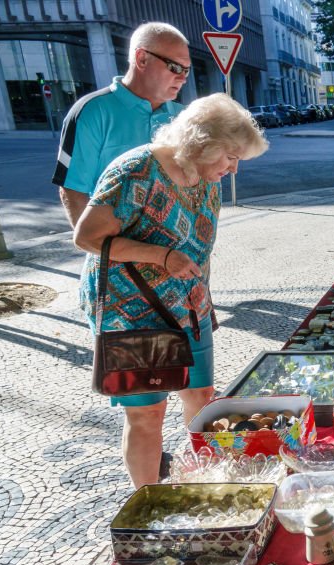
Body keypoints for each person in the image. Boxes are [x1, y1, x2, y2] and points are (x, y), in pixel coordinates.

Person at [72, 94, 269, 488]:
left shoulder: (203, 178)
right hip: (131, 312)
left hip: (187, 307)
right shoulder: (135, 171)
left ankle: (205, 481)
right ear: (203, 143)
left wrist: (203, 293)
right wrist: (160, 256)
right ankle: (147, 500)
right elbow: (86, 237)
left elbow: (199, 247)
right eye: (230, 158)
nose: (232, 170)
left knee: (202, 396)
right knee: (147, 413)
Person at [53, 22, 190, 228]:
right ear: (142, 59)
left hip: (176, 252)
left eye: (187, 70)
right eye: (175, 67)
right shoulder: (90, 112)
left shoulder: (185, 117)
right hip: (119, 249)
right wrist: (102, 249)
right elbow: (72, 191)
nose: (183, 78)